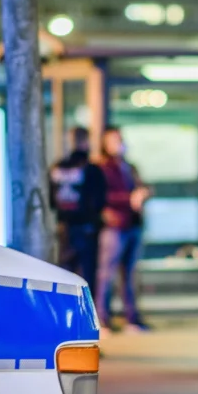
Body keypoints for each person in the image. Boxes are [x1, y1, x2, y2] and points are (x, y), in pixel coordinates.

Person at [95, 126, 151, 334]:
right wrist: (129, 198)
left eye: (119, 140)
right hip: (115, 226)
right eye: (113, 141)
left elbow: (143, 186)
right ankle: (103, 319)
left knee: (129, 275)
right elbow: (103, 196)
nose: (118, 144)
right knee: (106, 274)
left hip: (132, 224)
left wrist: (143, 193)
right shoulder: (103, 168)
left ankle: (132, 319)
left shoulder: (129, 167)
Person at [49, 127, 106, 294]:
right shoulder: (91, 169)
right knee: (87, 275)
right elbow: (99, 200)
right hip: (86, 228)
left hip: (64, 228)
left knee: (65, 274)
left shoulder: (57, 167)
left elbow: (51, 199)